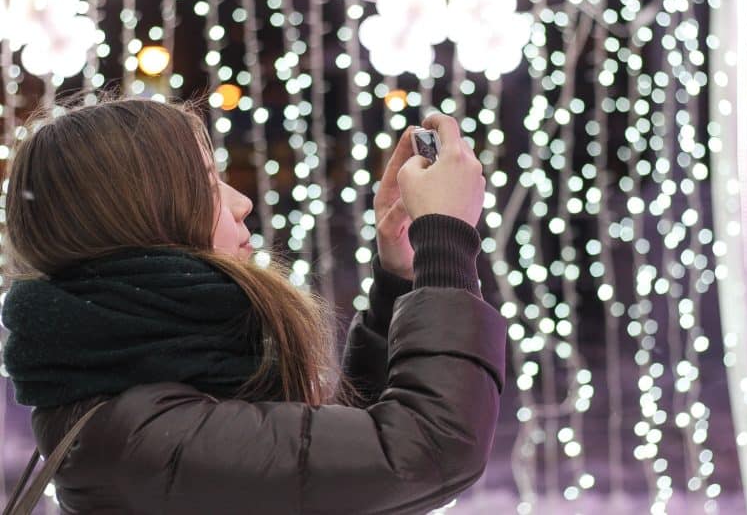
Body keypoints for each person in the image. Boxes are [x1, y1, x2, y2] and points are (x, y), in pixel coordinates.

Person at [0, 97, 506, 514]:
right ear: (143, 218)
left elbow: (322, 466)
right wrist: (446, 237)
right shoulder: (143, 438)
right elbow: (427, 451)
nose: (241, 201)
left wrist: (404, 274)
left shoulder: (146, 383)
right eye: (204, 182)